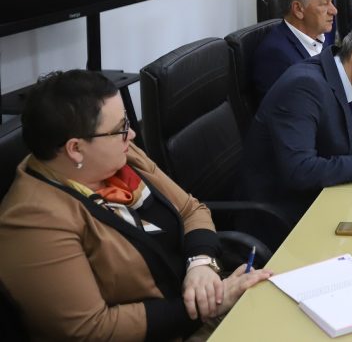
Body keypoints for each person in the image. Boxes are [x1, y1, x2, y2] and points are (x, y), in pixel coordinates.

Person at [0, 71, 271, 340]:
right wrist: (206, 306)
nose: (130, 134)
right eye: (120, 128)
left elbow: (191, 209)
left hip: (201, 303)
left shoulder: (121, 156)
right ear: (75, 149)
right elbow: (92, 329)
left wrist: (200, 264)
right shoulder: (34, 222)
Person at [240, 18, 352, 232]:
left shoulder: (350, 76)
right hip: (287, 219)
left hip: (330, 198)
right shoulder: (304, 87)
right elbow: (301, 170)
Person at [253, 0, 337, 100]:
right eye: (324, 4)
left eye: (331, 2)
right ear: (298, 9)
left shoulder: (318, 38)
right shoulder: (276, 55)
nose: (334, 10)